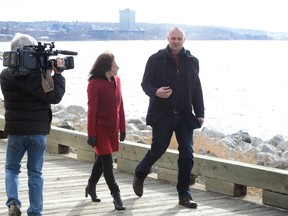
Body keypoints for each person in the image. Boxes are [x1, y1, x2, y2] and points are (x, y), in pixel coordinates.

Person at [133, 27, 205, 209]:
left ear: (184, 40)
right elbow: (145, 84)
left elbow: (197, 87)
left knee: (187, 153)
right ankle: (140, 172)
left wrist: (200, 112)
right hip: (162, 113)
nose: (176, 41)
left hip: (184, 115)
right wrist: (156, 92)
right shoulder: (156, 59)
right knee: (158, 149)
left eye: (179, 38)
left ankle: (184, 195)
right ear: (168, 39)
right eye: (173, 38)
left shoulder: (192, 61)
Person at [0, 33, 66, 216]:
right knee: (35, 173)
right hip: (37, 131)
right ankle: (36, 211)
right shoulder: (39, 76)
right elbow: (54, 97)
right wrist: (57, 75)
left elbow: (21, 82)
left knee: (12, 169)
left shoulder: (5, 75)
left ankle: (13, 201)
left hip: (16, 130)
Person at [85, 51, 126, 211]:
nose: (118, 67)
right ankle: (117, 197)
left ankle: (91, 185)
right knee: (108, 163)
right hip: (100, 130)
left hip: (112, 130)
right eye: (115, 65)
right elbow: (91, 111)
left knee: (101, 161)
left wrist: (123, 127)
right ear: (107, 67)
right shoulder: (94, 84)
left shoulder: (117, 80)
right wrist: (91, 134)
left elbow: (120, 106)